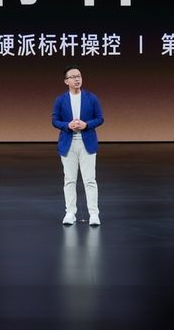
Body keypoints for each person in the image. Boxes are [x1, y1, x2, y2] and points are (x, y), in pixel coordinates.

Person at [52, 64, 104, 226]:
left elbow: (100, 118)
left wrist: (86, 124)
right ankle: (70, 212)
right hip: (68, 143)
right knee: (69, 180)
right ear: (66, 81)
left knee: (90, 180)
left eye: (79, 76)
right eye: (73, 77)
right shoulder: (60, 100)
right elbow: (55, 120)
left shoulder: (91, 98)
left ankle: (94, 214)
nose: (77, 79)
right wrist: (67, 125)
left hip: (87, 142)